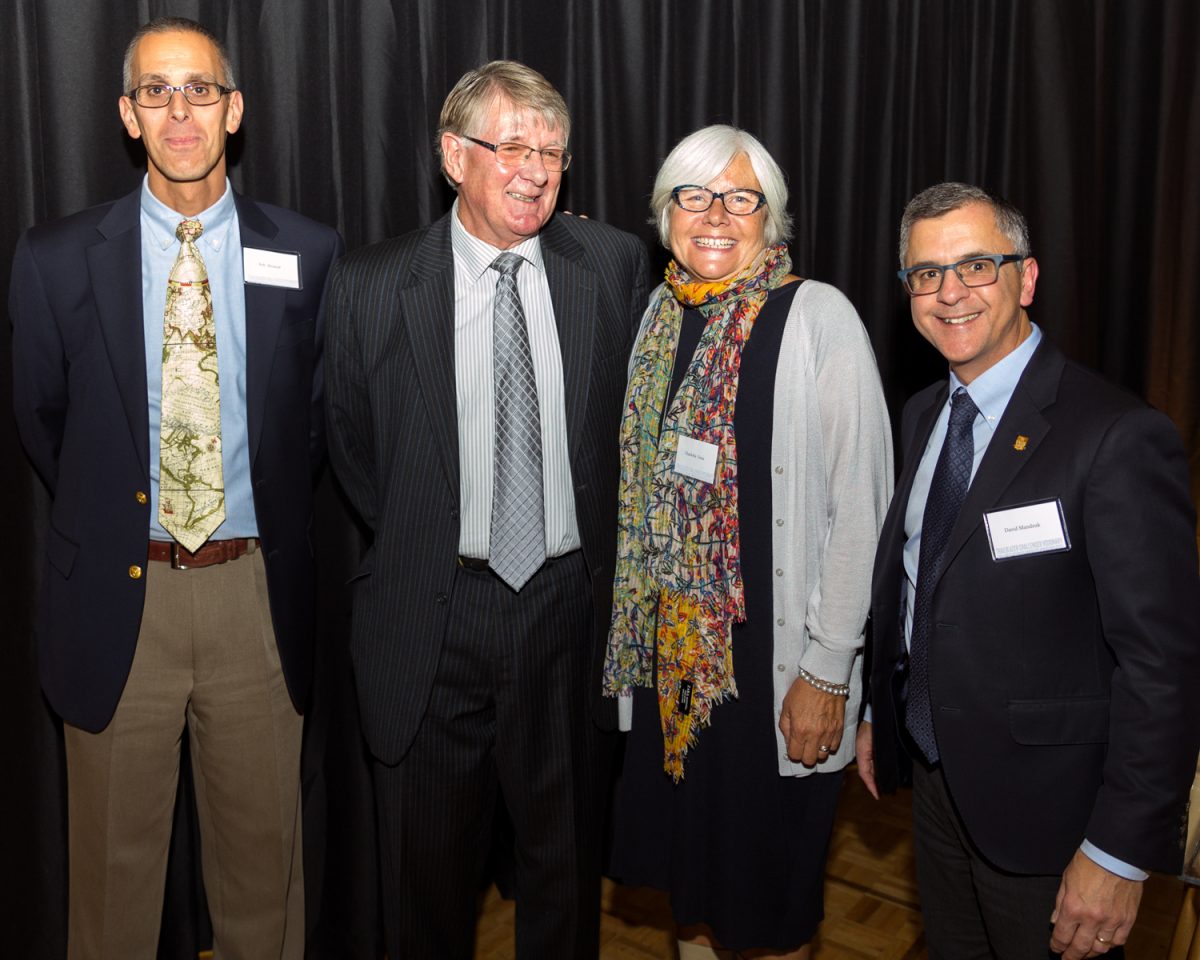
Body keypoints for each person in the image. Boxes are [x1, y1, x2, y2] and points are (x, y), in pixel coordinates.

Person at [8, 17, 342, 958]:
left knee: (261, 895)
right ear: (127, 114)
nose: (179, 110)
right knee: (111, 903)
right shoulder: (56, 258)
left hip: (253, 599)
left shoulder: (310, 254)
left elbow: (313, 426)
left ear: (234, 110)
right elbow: (46, 425)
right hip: (120, 603)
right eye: (156, 90)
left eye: (199, 89)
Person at [324, 60, 648, 958]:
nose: (536, 170)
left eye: (552, 151)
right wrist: (430, 536)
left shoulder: (613, 266)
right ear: (451, 154)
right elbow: (353, 451)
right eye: (511, 145)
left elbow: (627, 437)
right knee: (422, 887)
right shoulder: (370, 285)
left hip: (565, 615)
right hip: (433, 617)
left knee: (565, 878)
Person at [856, 181, 1200, 960]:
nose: (950, 293)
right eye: (926, 273)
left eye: (977, 265)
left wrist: (1117, 851)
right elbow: (916, 584)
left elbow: (1163, 669)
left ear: (1027, 277)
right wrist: (883, 708)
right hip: (941, 783)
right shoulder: (922, 414)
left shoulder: (1115, 437)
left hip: (1057, 816)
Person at [603, 125, 893, 960]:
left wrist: (827, 670)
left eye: (741, 197)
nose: (716, 216)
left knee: (770, 912)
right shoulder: (659, 316)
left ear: (772, 216)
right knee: (693, 900)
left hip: (776, 678)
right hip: (679, 676)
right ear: (666, 214)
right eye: (693, 196)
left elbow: (862, 506)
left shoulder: (817, 316)